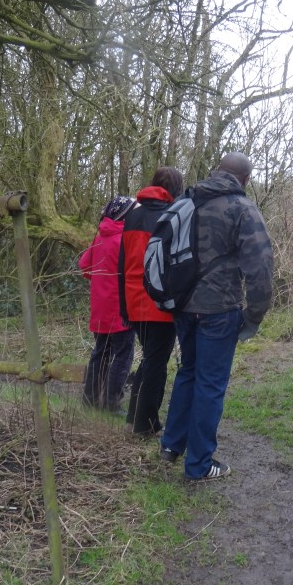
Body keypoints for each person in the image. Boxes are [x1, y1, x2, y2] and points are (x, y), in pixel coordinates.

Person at [158, 153, 273, 481]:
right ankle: (198, 464)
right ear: (245, 179)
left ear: (217, 171)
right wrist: (255, 315)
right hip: (219, 310)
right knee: (209, 384)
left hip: (183, 305)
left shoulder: (187, 200)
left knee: (188, 372)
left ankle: (171, 445)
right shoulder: (242, 208)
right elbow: (261, 267)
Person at [119, 167, 185, 437]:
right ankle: (146, 425)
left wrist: (124, 306)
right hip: (159, 302)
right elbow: (174, 264)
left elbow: (122, 264)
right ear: (176, 189)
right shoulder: (170, 216)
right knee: (156, 364)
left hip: (134, 300)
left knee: (149, 359)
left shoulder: (132, 216)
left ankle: (135, 419)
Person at [79, 195, 137, 412]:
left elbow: (85, 266)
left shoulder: (101, 237)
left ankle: (90, 399)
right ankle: (112, 402)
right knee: (123, 355)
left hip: (100, 307)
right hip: (121, 308)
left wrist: (100, 281)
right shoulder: (126, 240)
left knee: (100, 354)